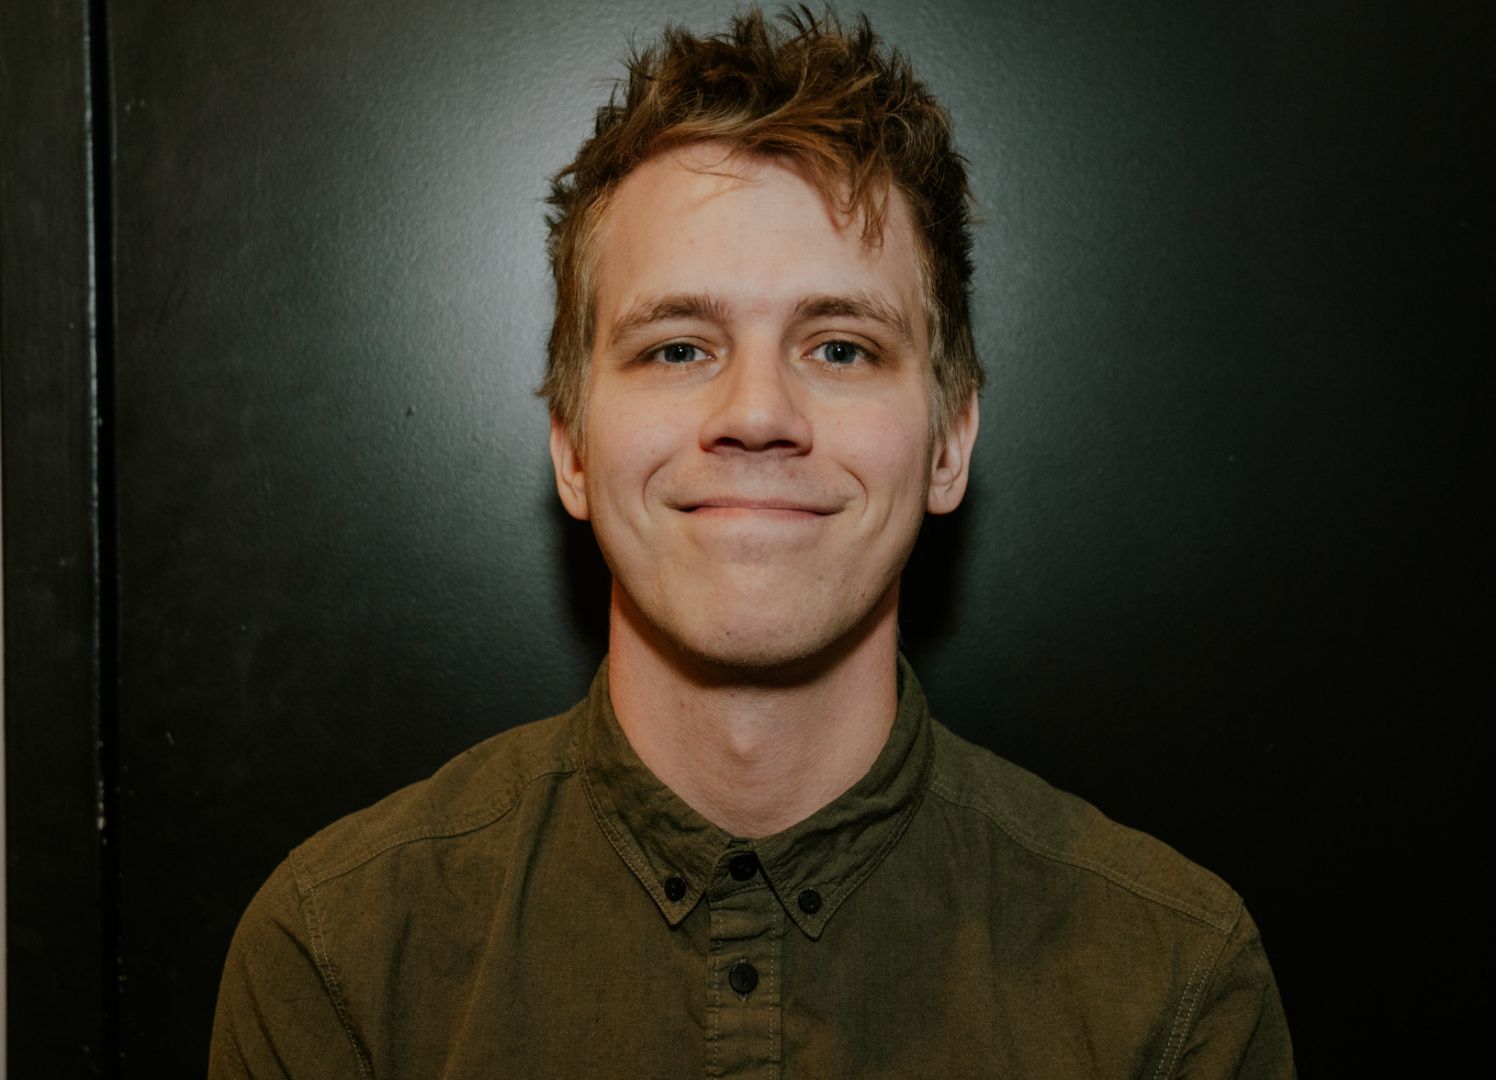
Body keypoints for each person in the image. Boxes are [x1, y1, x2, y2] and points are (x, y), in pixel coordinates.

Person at [210, 8, 1294, 1077]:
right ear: (572, 448)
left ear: (949, 442)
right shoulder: (342, 959)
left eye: (840, 347)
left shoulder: (1170, 989)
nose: (758, 412)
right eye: (678, 348)